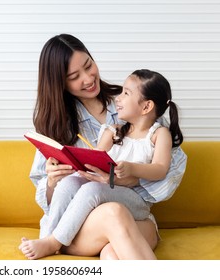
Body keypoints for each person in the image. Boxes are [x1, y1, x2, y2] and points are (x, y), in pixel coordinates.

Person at [18, 34, 187, 260]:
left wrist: (133, 177)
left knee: (112, 252)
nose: (88, 78)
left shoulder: (134, 103)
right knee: (103, 206)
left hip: (133, 216)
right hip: (81, 226)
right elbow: (49, 197)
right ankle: (51, 240)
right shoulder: (55, 124)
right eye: (75, 76)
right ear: (60, 82)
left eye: (88, 65)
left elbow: (170, 169)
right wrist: (51, 181)